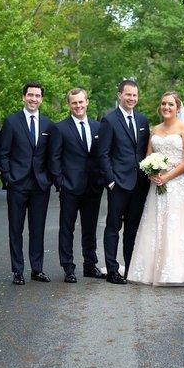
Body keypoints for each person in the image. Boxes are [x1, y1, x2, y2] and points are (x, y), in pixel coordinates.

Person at [128, 92, 184, 286]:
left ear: (178, 108)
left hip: (180, 183)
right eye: (163, 104)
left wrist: (168, 177)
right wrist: (151, 173)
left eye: (170, 104)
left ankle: (182, 272)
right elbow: (148, 156)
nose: (166, 107)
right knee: (156, 224)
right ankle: (152, 270)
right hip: (158, 184)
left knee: (178, 225)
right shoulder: (155, 129)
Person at [0, 82, 58, 285]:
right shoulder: (11, 122)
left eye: (37, 95)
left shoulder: (48, 125)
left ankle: (37, 269)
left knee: (37, 228)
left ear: (41, 99)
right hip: (17, 184)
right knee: (15, 229)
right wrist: (8, 177)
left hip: (40, 185)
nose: (34, 99)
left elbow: (52, 155)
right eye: (30, 95)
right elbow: (3, 153)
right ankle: (17, 270)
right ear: (23, 97)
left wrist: (49, 178)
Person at [98, 80, 150, 284]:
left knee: (132, 228)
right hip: (118, 183)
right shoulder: (109, 120)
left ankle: (130, 268)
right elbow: (103, 154)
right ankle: (112, 270)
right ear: (120, 95)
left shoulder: (143, 120)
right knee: (113, 226)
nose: (132, 99)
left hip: (140, 183)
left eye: (135, 95)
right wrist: (110, 181)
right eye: (128, 95)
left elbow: (145, 150)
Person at [51, 88, 106, 283]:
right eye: (74, 103)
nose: (78, 106)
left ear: (87, 102)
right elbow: (54, 158)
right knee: (67, 228)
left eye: (81, 102)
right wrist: (61, 183)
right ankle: (68, 267)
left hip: (93, 187)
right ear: (69, 105)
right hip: (70, 187)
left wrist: (101, 179)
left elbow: (102, 156)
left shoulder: (98, 127)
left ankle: (90, 265)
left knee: (90, 228)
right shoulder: (60, 128)